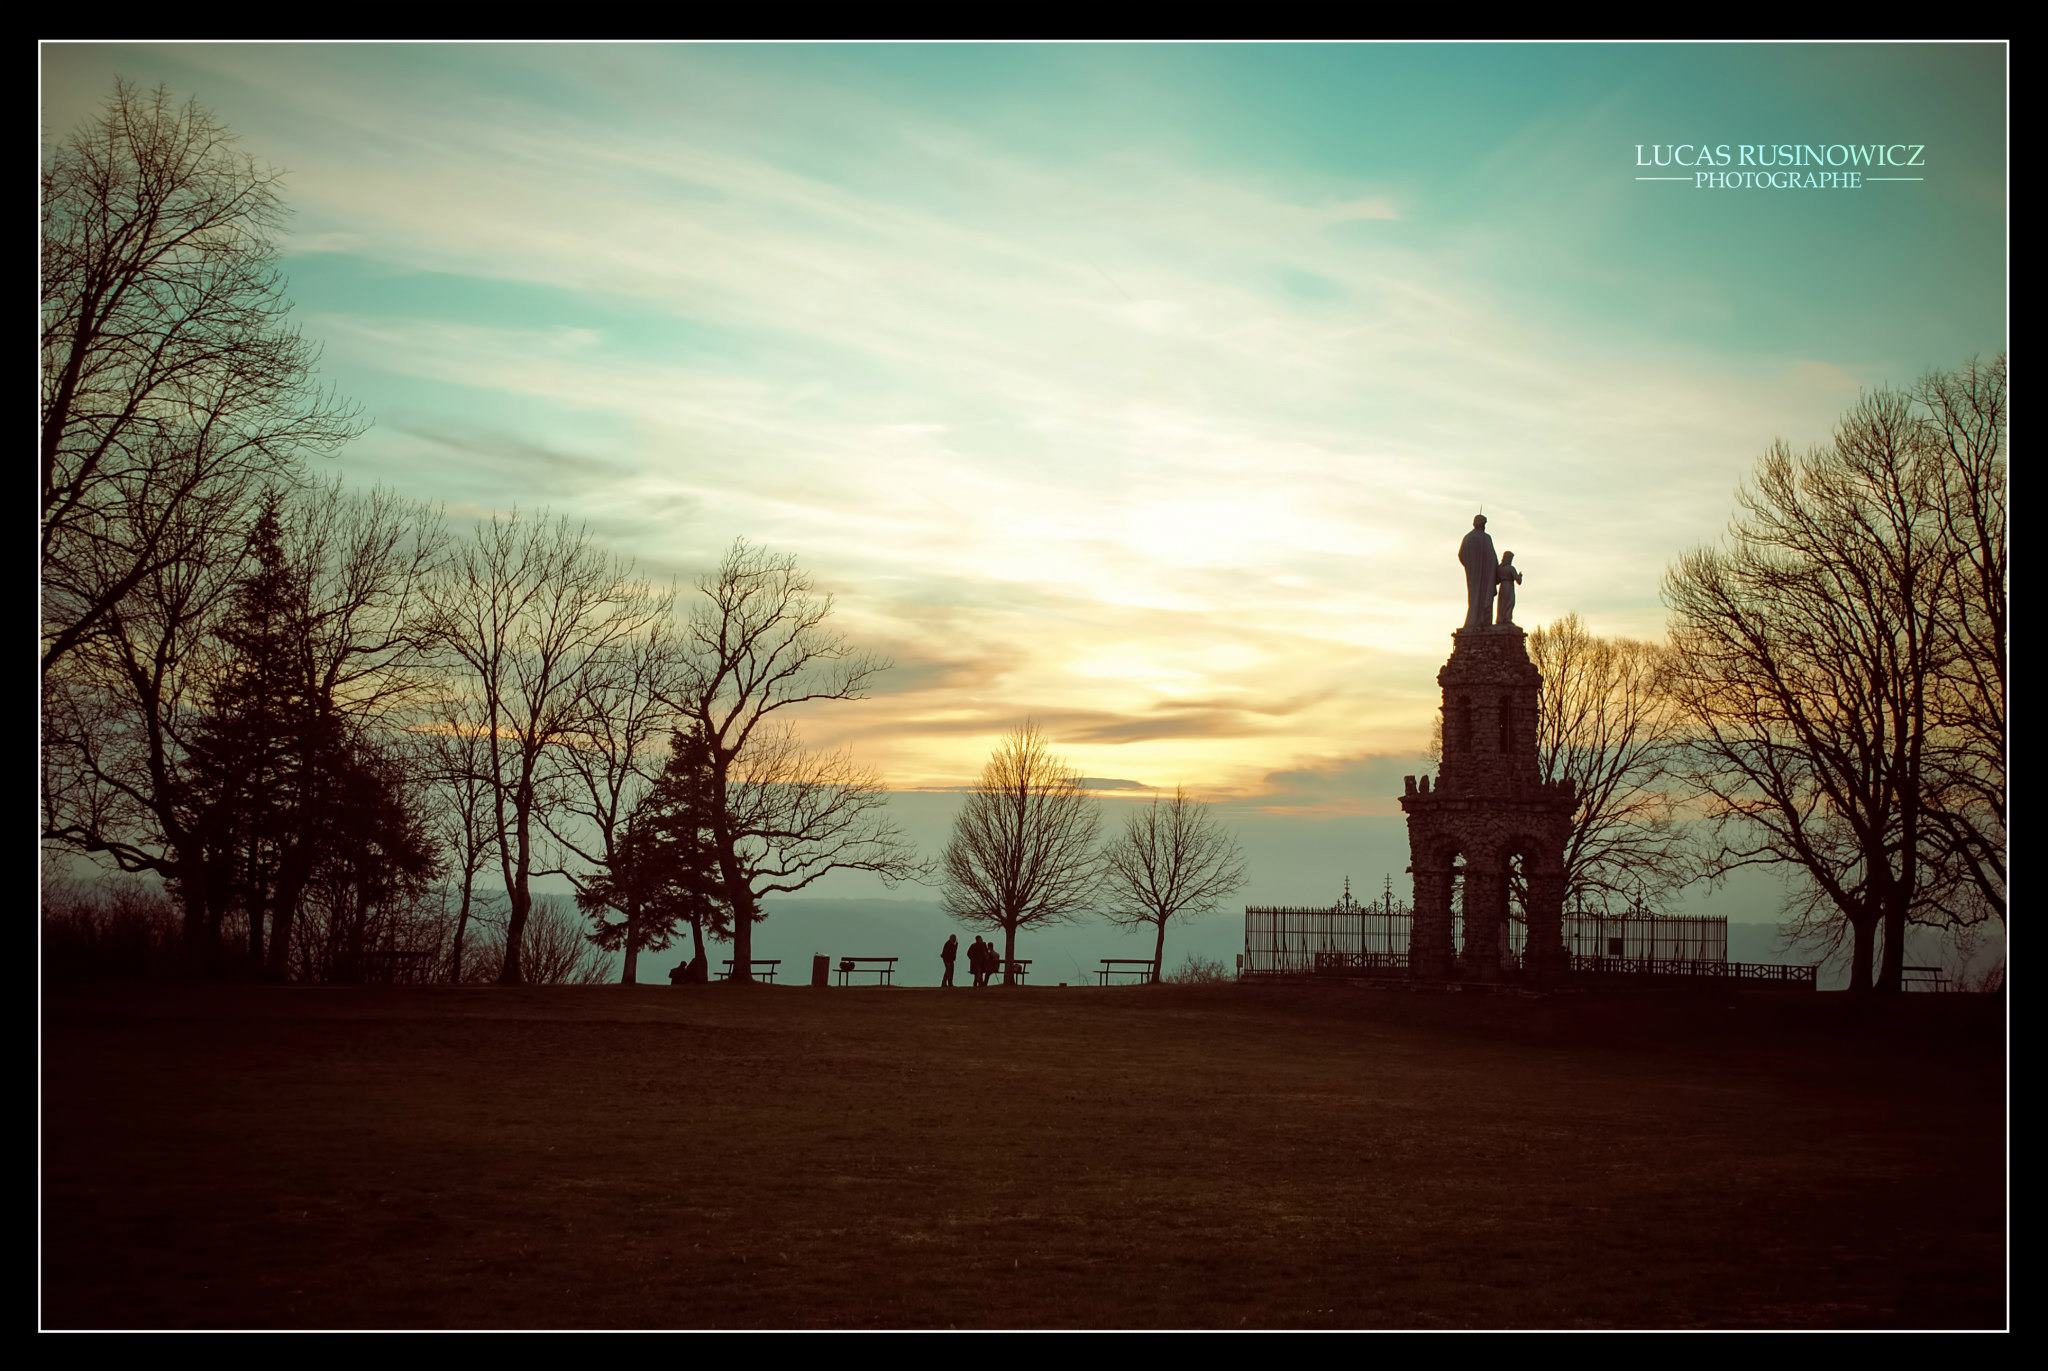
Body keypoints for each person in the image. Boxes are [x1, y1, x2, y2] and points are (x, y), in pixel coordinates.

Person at [1459, 514, 1498, 629]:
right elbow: (1493, 558)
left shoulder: (1468, 537)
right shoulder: (1486, 538)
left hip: (1475, 574)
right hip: (1482, 575)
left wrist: (1470, 565)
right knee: (1482, 596)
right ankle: (1479, 621)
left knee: (1475, 597)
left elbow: (1461, 555)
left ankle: (1475, 621)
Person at [1494, 551, 1522, 625]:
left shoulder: (1499, 568)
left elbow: (1496, 581)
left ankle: (1500, 619)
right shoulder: (1511, 568)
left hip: (1502, 587)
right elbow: (1518, 581)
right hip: (1509, 586)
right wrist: (1520, 576)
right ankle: (1507, 619)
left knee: (1501, 603)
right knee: (1510, 602)